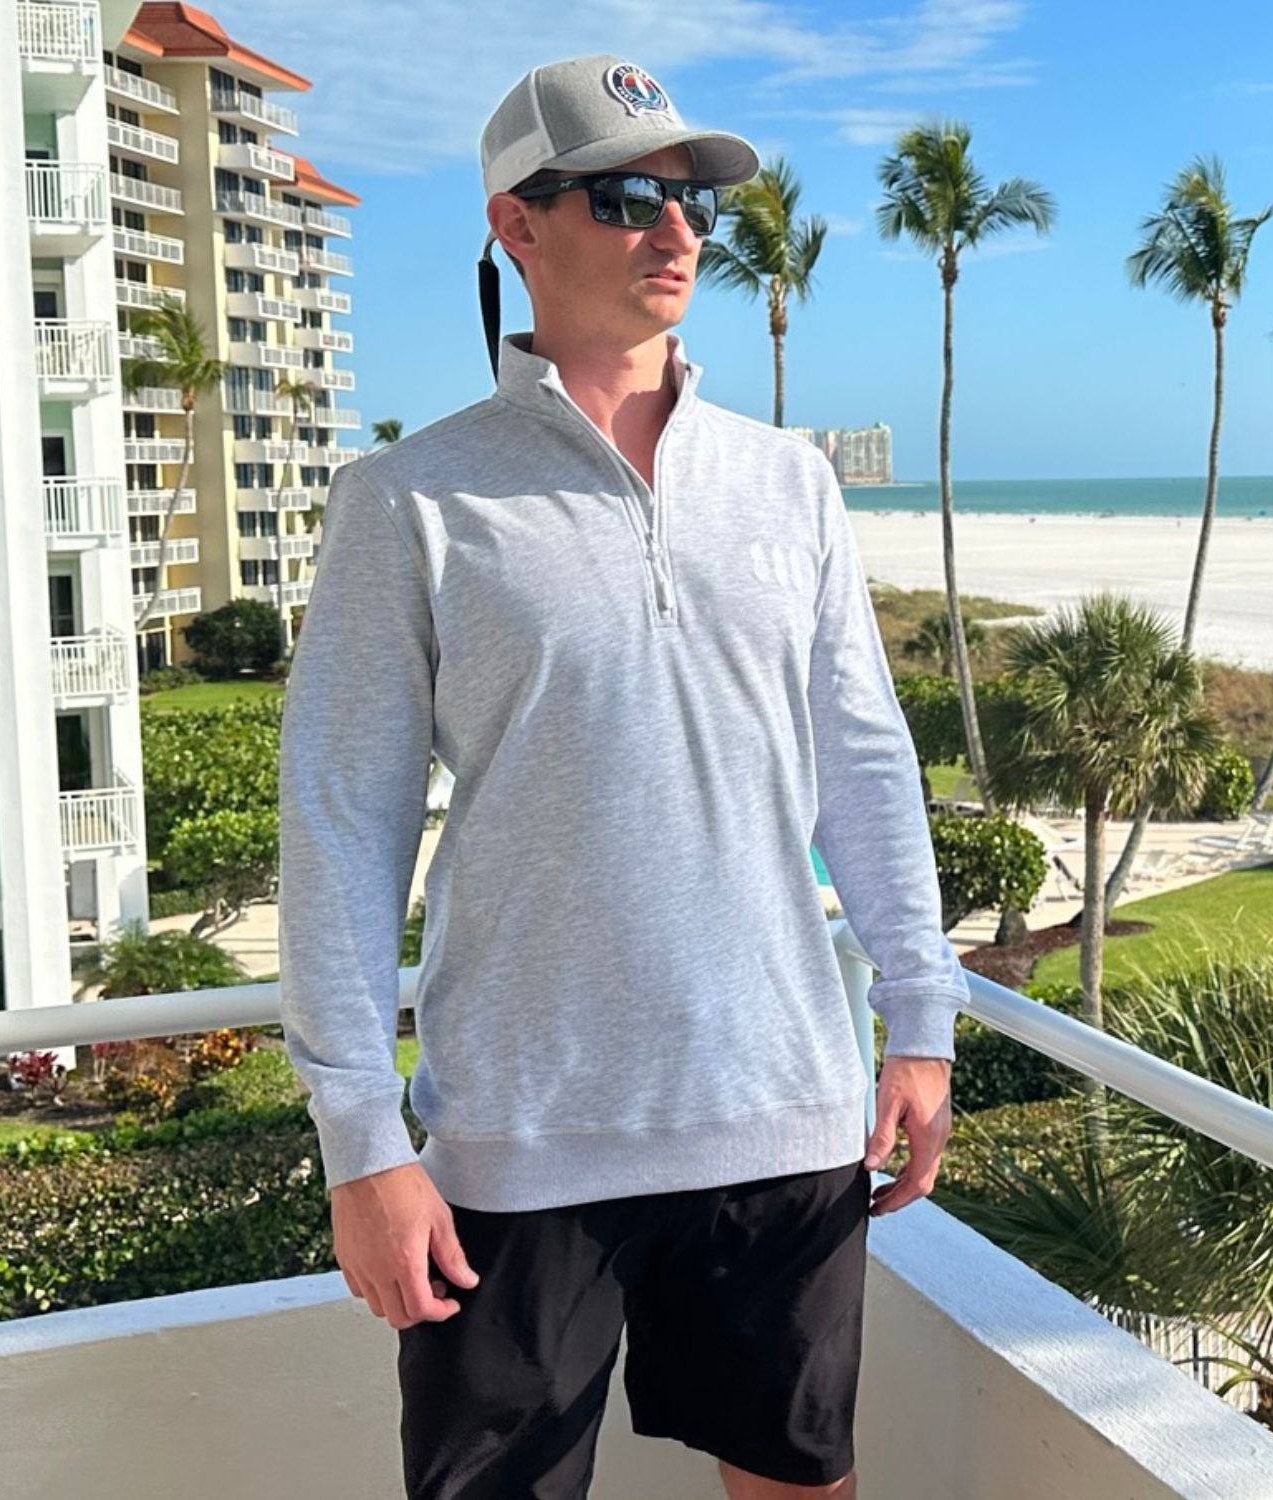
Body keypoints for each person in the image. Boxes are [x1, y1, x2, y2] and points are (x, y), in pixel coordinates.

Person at [277, 52, 971, 1500]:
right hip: (517, 1139)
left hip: (785, 1105)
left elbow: (862, 760)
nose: (679, 232)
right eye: (627, 195)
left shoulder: (791, 484)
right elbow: (342, 825)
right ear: (515, 226)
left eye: (696, 200)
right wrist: (360, 1142)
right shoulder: (408, 502)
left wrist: (922, 1013)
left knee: (796, 1485)